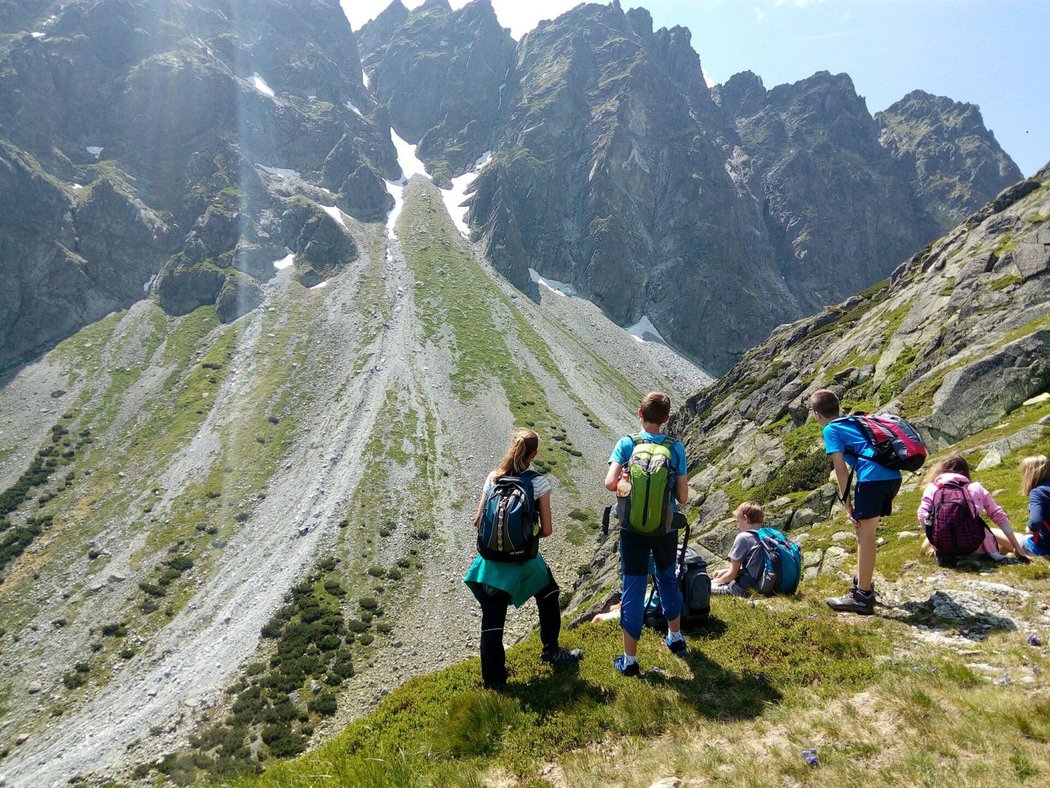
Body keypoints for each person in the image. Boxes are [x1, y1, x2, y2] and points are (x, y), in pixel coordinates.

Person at [464, 429, 581, 690]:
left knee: (492, 620)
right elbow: (548, 530)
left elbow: (478, 519)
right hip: (524, 561)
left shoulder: (493, 478)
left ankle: (493, 681)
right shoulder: (537, 482)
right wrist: (526, 535)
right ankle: (551, 650)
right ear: (534, 454)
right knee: (549, 593)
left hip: (491, 563)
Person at [604, 391, 689, 676]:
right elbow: (683, 496)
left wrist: (628, 484)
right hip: (664, 529)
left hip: (632, 530)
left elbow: (609, 483)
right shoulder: (675, 448)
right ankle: (675, 639)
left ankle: (629, 660)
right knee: (667, 578)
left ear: (640, 413)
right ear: (665, 419)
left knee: (633, 587)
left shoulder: (627, 444)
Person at [810, 389, 900, 615]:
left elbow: (840, 469)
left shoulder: (830, 429)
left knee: (864, 535)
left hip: (873, 479)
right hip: (892, 476)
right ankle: (865, 584)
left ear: (817, 414)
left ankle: (862, 597)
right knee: (867, 532)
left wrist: (846, 502)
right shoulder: (853, 421)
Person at [917, 453, 1030, 562]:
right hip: (976, 547)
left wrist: (935, 545)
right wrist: (1016, 547)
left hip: (945, 548)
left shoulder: (932, 488)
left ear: (940, 470)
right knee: (989, 531)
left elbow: (922, 514)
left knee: (925, 544)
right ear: (965, 471)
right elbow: (997, 515)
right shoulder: (975, 487)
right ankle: (1018, 546)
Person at [711, 502, 767, 597]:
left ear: (745, 518)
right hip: (768, 586)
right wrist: (725, 571)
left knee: (700, 587)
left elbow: (731, 575)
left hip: (745, 590)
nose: (738, 525)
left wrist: (713, 581)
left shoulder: (743, 537)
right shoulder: (767, 537)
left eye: (738, 520)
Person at [1020, 454, 1050, 557]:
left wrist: (1030, 528)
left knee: (995, 533)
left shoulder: (1037, 493)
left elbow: (1035, 522)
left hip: (1045, 547)